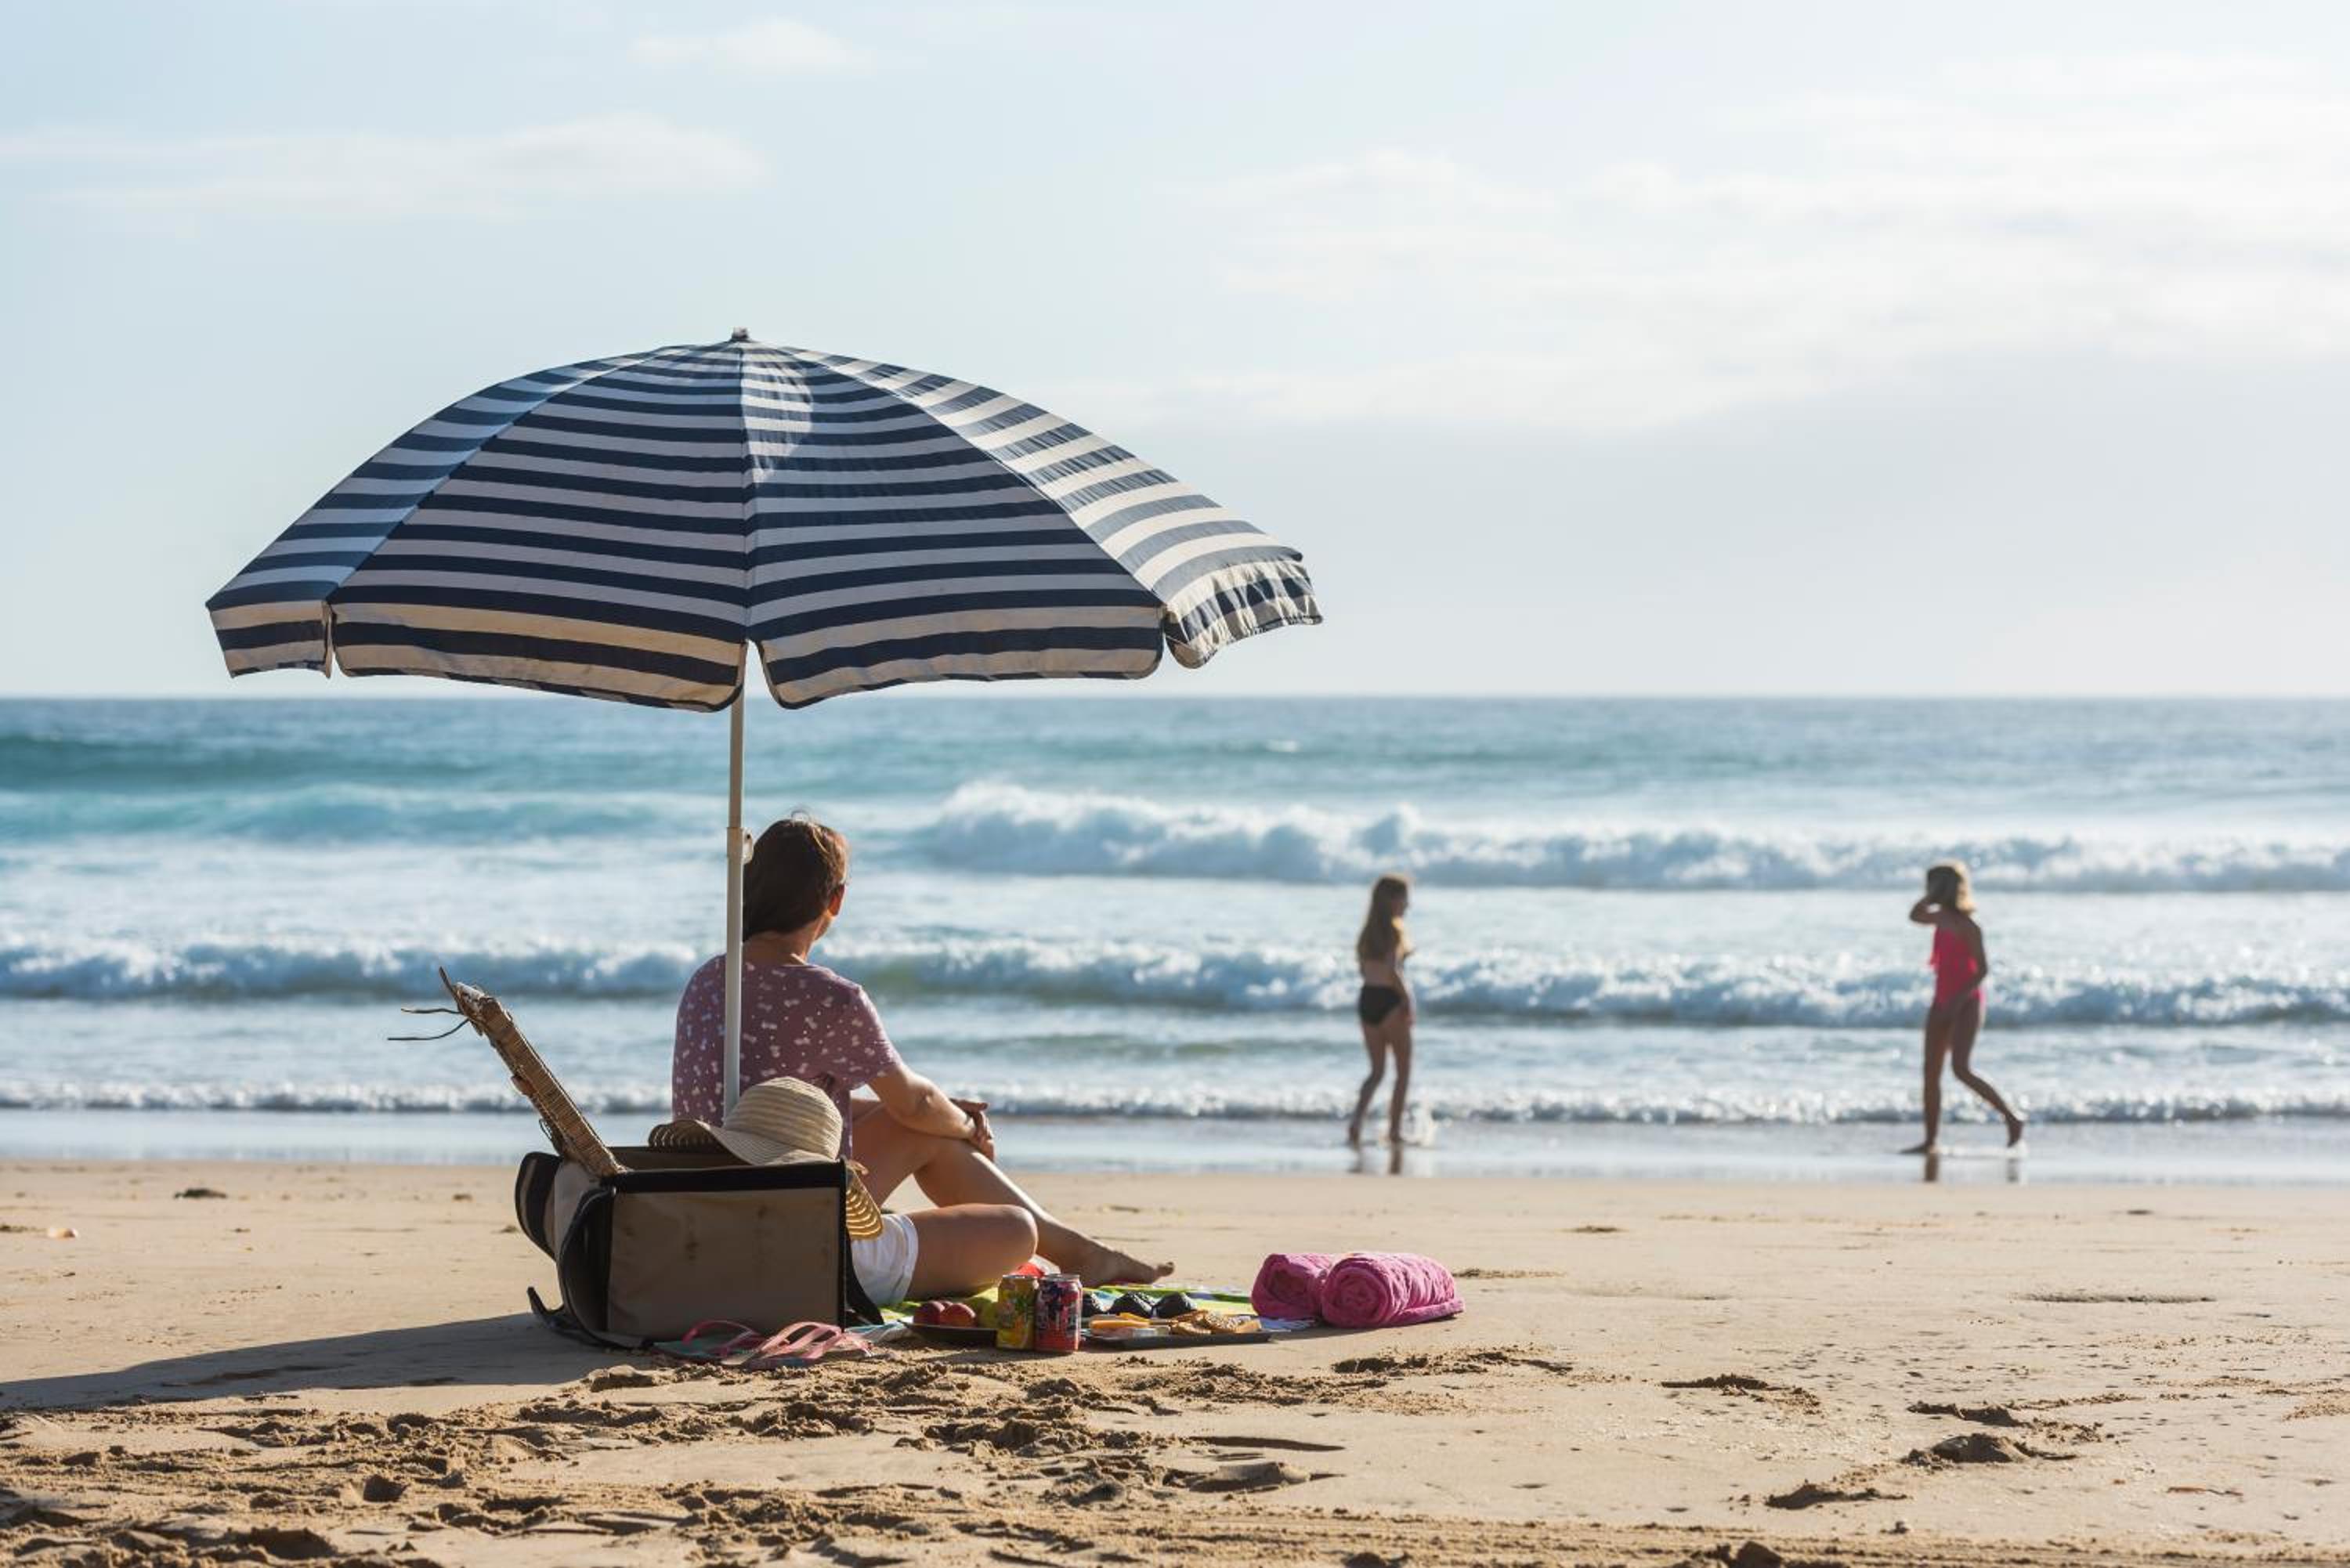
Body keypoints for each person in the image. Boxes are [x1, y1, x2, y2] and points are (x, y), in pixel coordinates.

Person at [673, 813, 1170, 1302]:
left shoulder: (709, 981)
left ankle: (1084, 1253)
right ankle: (1080, 1252)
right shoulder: (830, 997)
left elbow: (782, 1108)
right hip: (800, 1240)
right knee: (1017, 1231)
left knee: (922, 1125)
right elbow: (914, 1102)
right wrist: (964, 1125)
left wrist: (938, 1116)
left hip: (706, 1218)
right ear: (836, 900)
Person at [1902, 859, 2026, 1154]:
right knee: (1930, 1072)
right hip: (1941, 1000)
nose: (1927, 890)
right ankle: (1930, 1140)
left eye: (1932, 885)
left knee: (1960, 1068)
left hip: (1967, 1002)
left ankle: (2012, 1117)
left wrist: (1958, 1002)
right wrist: (1931, 897)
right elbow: (1914, 915)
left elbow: (1982, 970)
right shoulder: (1938, 918)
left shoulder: (1969, 926)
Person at [1347, 873, 1415, 1148]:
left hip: (1368, 998)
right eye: (1405, 898)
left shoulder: (1366, 934)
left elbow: (1363, 970)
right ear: (1393, 900)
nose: (1408, 905)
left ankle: (1356, 1122)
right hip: (1389, 999)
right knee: (1403, 1071)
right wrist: (1407, 999)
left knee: (1376, 1072)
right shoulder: (1394, 931)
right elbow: (1392, 970)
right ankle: (1395, 1131)